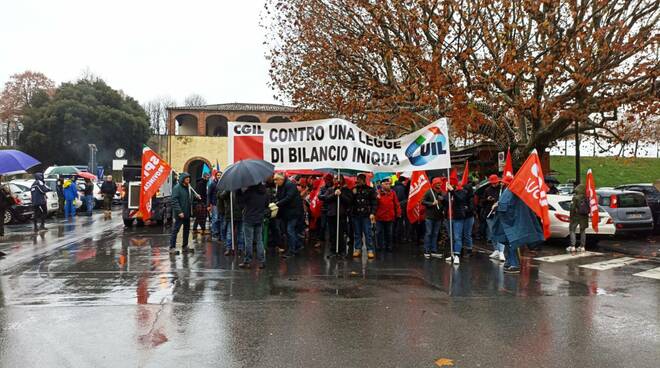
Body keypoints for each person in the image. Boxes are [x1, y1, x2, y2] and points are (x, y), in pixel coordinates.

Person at [490, 187, 544, 274]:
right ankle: (509, 263)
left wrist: (497, 206)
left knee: (511, 243)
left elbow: (504, 206)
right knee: (508, 243)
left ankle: (514, 264)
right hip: (511, 221)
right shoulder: (516, 191)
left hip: (510, 222)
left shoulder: (511, 191)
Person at [319, 174, 353, 257]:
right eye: (335, 179)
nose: (336, 180)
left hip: (341, 214)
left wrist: (341, 195)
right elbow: (326, 199)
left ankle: (342, 250)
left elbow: (349, 201)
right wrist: (334, 194)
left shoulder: (346, 190)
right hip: (331, 214)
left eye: (338, 179)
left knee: (341, 233)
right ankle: (333, 250)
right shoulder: (330, 189)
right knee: (332, 233)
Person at [445, 177, 475, 265]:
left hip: (461, 217)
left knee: (461, 236)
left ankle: (458, 255)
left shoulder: (462, 192)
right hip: (453, 217)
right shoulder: (451, 192)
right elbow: (447, 202)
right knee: (455, 237)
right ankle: (454, 254)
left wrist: (452, 191)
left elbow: (460, 199)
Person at [273, 173, 304, 258]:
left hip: (294, 212)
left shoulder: (290, 185)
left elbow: (288, 197)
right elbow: (279, 196)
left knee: (290, 230)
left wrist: (278, 203)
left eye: (276, 180)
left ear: (281, 179)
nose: (275, 182)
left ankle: (292, 250)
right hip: (287, 212)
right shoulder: (281, 185)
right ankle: (297, 245)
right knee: (288, 231)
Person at [238, 183, 269, 269]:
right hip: (259, 218)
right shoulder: (265, 192)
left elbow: (240, 201)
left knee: (248, 241)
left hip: (249, 218)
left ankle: (247, 261)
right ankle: (262, 261)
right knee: (259, 240)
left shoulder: (249, 192)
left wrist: (238, 191)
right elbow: (267, 205)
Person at [170, 173, 198, 255]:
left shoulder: (188, 188)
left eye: (189, 178)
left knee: (186, 230)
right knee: (175, 230)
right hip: (180, 214)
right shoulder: (177, 188)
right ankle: (172, 247)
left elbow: (189, 199)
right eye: (186, 179)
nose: (188, 180)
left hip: (187, 213)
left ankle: (185, 246)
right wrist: (179, 212)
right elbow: (174, 201)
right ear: (182, 179)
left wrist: (195, 197)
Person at [351, 173, 377, 258]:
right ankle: (358, 249)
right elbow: (350, 202)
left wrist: (372, 213)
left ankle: (370, 250)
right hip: (356, 214)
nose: (358, 181)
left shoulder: (370, 190)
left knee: (368, 233)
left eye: (360, 180)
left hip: (366, 215)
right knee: (357, 233)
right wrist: (353, 194)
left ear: (364, 180)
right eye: (358, 179)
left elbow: (374, 202)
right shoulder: (354, 190)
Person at [481, 175, 505, 262]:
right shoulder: (487, 190)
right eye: (492, 183)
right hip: (489, 214)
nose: (494, 184)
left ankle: (501, 251)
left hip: (500, 213)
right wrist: (487, 199)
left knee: (500, 232)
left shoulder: (502, 189)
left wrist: (499, 202)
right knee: (493, 233)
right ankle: (496, 250)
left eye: (495, 183)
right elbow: (482, 202)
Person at [375, 178, 401, 253]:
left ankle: (389, 246)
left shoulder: (393, 193)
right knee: (379, 232)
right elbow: (374, 205)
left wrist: (398, 213)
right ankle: (379, 246)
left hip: (390, 217)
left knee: (389, 233)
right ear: (382, 185)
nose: (388, 185)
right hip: (379, 217)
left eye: (389, 184)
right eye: (386, 184)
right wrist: (377, 198)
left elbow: (397, 204)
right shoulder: (378, 193)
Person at [421, 177, 445, 259]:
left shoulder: (441, 192)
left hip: (438, 217)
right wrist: (432, 203)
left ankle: (434, 250)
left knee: (435, 234)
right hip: (429, 217)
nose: (439, 184)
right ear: (434, 184)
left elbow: (444, 202)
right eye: (438, 183)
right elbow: (422, 201)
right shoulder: (429, 192)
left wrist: (443, 200)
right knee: (429, 233)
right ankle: (427, 250)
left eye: (440, 183)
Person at [220, 190, 244, 256]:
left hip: (239, 214)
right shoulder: (228, 190)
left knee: (240, 232)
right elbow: (221, 196)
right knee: (230, 232)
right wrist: (227, 191)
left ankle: (240, 248)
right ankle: (229, 248)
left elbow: (245, 200)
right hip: (230, 214)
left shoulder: (241, 190)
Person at [314, 173, 334, 247]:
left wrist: (325, 196)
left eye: (328, 180)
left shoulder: (334, 187)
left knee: (331, 226)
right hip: (324, 209)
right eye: (326, 180)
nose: (327, 181)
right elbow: (319, 196)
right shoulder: (323, 188)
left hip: (332, 209)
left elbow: (323, 196)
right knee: (322, 226)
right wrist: (327, 196)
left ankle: (332, 241)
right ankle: (320, 240)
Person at [568, 184, 589, 252]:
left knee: (572, 230)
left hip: (576, 216)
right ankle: (582, 247)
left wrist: (571, 217)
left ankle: (573, 246)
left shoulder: (575, 197)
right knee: (582, 231)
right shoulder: (586, 197)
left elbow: (572, 208)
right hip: (584, 216)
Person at [392, 176, 409, 242]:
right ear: (403, 181)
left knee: (394, 224)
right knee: (400, 224)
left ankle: (393, 238)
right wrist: (406, 201)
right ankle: (398, 238)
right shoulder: (402, 188)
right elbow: (399, 199)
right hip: (400, 208)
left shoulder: (394, 187)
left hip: (394, 208)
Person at [208, 171, 222, 240]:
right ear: (216, 176)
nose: (219, 176)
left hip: (221, 204)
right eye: (218, 175)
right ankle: (214, 233)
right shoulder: (212, 184)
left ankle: (218, 232)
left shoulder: (222, 183)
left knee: (219, 218)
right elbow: (209, 194)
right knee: (215, 219)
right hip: (215, 204)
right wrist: (208, 204)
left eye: (220, 175)